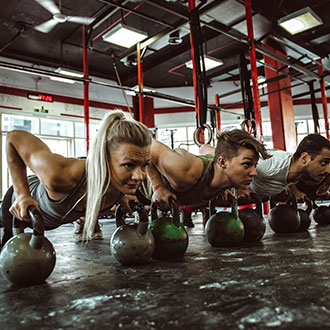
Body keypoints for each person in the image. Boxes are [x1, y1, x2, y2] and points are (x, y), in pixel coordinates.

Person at [0, 111, 152, 247]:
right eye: (128, 165)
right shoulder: (59, 174)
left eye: (145, 165)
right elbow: (14, 137)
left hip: (54, 218)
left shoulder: (125, 182)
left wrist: (125, 196)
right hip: (16, 209)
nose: (139, 176)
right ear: (104, 159)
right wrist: (22, 195)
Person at [147, 129, 271, 212]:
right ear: (222, 162)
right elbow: (147, 145)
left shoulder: (222, 167)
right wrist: (158, 188)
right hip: (135, 189)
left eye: (255, 165)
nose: (254, 172)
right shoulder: (184, 171)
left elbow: (204, 148)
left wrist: (227, 187)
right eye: (247, 164)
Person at [200, 133, 330, 202]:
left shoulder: (300, 169)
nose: (328, 169)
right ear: (305, 158)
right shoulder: (268, 166)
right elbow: (216, 155)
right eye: (324, 163)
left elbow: (289, 174)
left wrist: (293, 191)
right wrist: (238, 188)